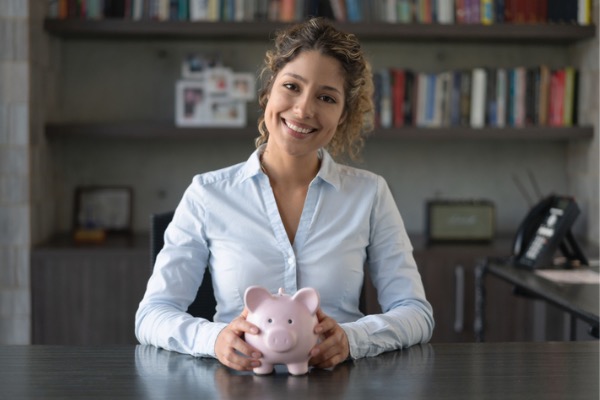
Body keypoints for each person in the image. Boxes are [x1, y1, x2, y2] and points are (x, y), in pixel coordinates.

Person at [135, 17, 434, 372]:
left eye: (326, 97)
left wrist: (352, 339)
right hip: (237, 387)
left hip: (337, 387)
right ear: (268, 92)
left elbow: (416, 313)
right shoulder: (207, 194)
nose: (304, 109)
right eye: (292, 86)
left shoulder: (369, 194)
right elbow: (152, 314)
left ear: (343, 115)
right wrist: (213, 339)